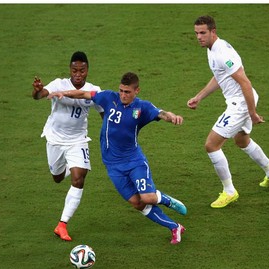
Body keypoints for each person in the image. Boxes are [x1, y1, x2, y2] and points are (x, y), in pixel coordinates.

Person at [48, 72, 187, 244]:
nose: (123, 95)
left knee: (148, 198)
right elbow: (84, 94)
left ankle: (168, 201)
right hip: (113, 167)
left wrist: (171, 117)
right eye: (121, 90)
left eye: (127, 92)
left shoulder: (142, 107)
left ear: (137, 91)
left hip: (134, 162)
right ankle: (175, 227)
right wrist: (62, 93)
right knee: (137, 203)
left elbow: (161, 113)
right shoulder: (109, 98)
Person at [187, 15, 269, 208]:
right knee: (242, 140)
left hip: (241, 103)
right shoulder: (212, 48)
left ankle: (229, 191)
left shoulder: (222, 52)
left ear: (213, 31)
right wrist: (200, 96)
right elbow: (219, 76)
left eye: (203, 33)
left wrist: (252, 113)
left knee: (211, 145)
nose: (199, 37)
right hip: (243, 101)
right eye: (196, 33)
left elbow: (245, 83)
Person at [32, 51, 104, 241]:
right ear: (70, 70)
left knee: (79, 179)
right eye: (74, 70)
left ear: (87, 70)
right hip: (55, 139)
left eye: (82, 70)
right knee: (57, 177)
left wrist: (110, 134)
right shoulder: (58, 84)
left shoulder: (93, 89)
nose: (78, 74)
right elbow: (40, 95)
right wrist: (38, 89)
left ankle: (62, 224)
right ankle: (65, 170)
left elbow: (104, 112)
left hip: (78, 140)